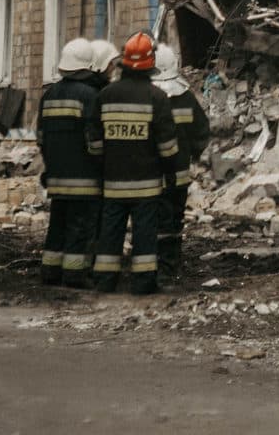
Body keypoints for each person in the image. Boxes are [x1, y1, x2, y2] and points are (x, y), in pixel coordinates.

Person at [86, 32, 179, 294]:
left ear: (124, 63)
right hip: (147, 184)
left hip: (113, 182)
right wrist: (170, 176)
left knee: (110, 233)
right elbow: (167, 146)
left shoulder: (105, 96)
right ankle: (143, 283)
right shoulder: (157, 98)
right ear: (150, 65)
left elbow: (94, 142)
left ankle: (105, 281)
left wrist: (101, 167)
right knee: (145, 236)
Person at [37, 38, 104, 288]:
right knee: (79, 228)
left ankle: (50, 272)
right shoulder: (90, 95)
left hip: (56, 176)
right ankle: (74, 275)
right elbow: (94, 140)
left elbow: (41, 138)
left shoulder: (49, 95)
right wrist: (103, 166)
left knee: (57, 226)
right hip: (84, 179)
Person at [153, 44, 210, 281]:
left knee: (153, 220)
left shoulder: (149, 97)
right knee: (174, 219)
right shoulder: (186, 98)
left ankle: (154, 266)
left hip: (151, 174)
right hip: (179, 172)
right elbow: (201, 131)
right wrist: (194, 154)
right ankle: (171, 265)